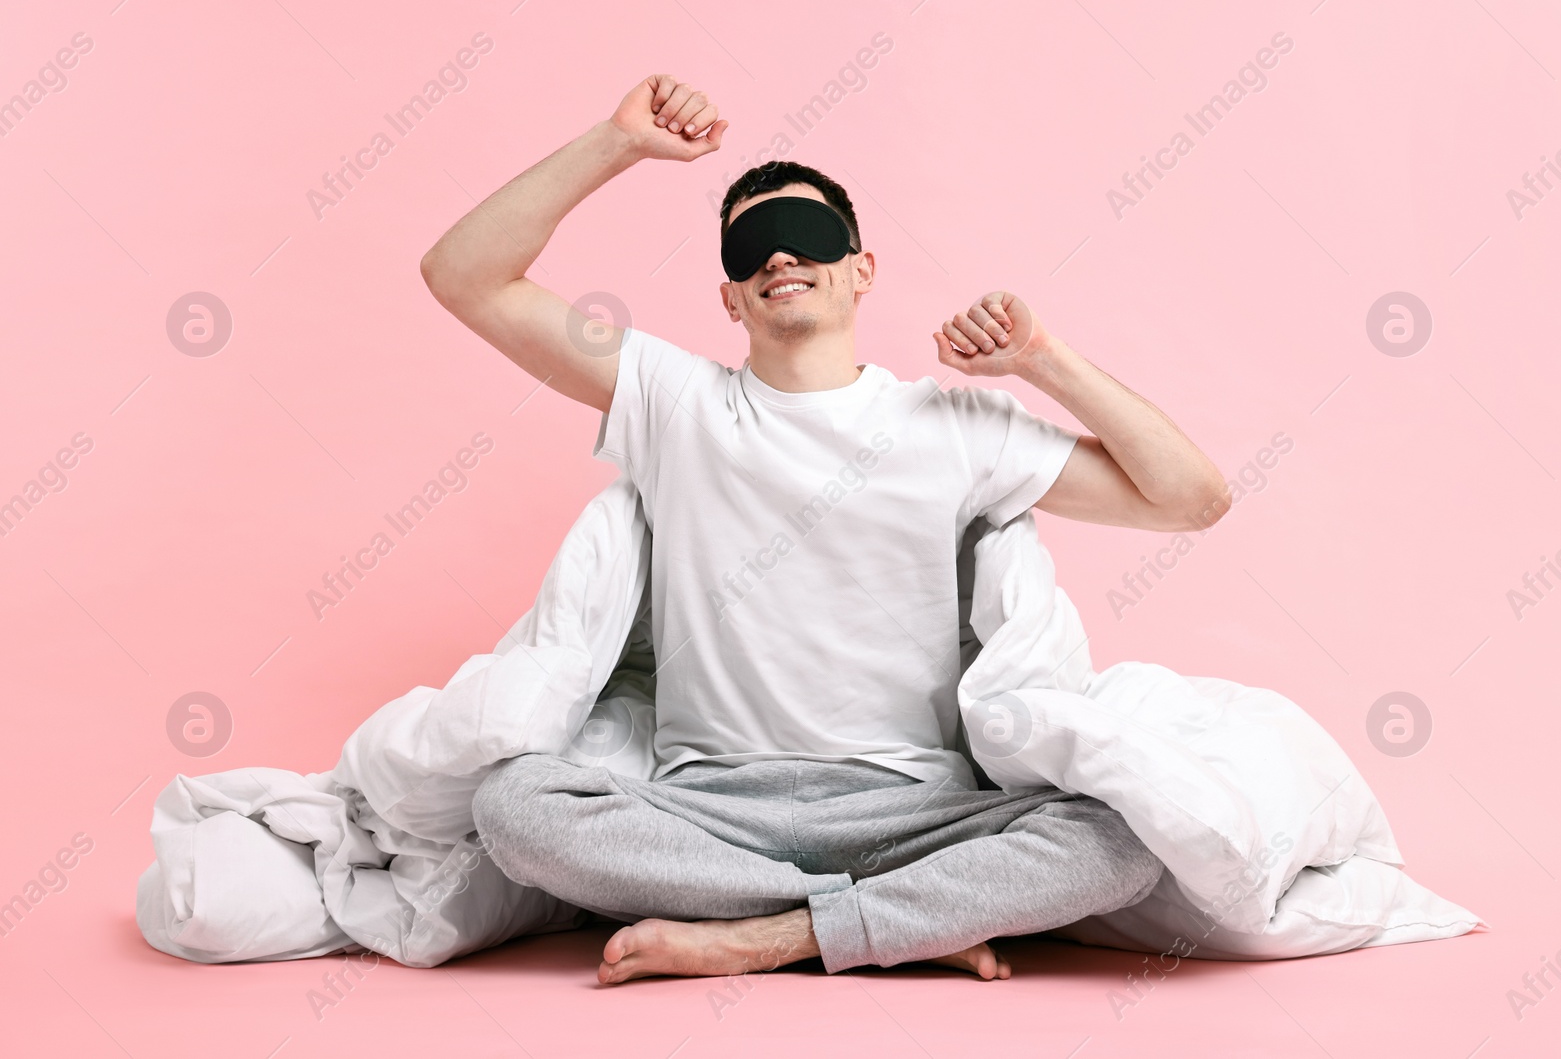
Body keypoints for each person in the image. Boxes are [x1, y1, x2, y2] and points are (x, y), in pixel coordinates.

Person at [420, 74, 1231, 986]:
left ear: (860, 269)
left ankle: (762, 937)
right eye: (751, 247)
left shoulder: (957, 426)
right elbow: (464, 274)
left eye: (806, 237)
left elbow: (1190, 499)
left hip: (910, 812)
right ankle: (893, 924)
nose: (779, 258)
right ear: (730, 296)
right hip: (708, 809)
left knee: (1123, 832)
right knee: (515, 805)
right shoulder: (672, 400)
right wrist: (617, 143)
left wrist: (1043, 360)